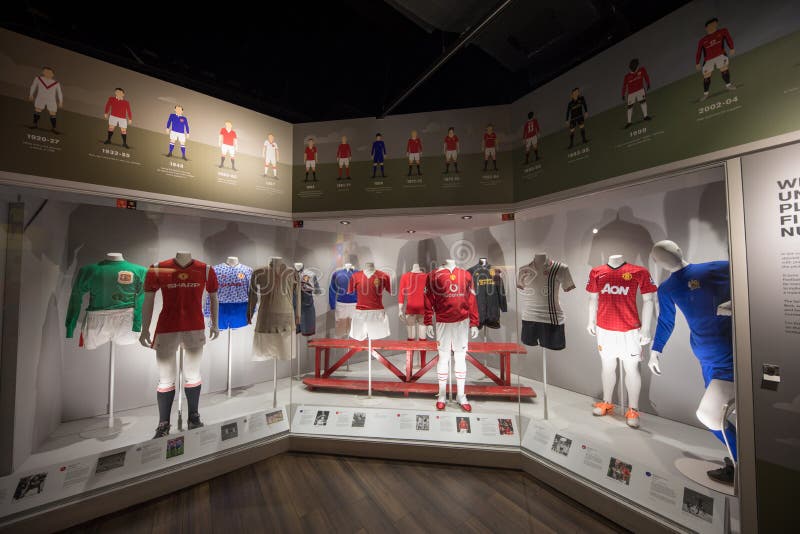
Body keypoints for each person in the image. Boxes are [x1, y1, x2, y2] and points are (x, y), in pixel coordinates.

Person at [696, 17, 736, 101]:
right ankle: (705, 94)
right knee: (706, 77)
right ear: (706, 28)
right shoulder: (702, 40)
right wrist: (697, 63)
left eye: (715, 24)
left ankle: (728, 85)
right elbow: (699, 52)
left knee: (724, 70)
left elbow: (728, 38)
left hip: (720, 55)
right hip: (708, 60)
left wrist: (732, 48)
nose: (714, 26)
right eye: (711, 25)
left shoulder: (722, 31)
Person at [28, 66, 63, 133]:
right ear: (43, 72)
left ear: (53, 74)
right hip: (40, 98)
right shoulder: (38, 79)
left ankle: (54, 128)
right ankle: (34, 124)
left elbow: (59, 92)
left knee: (52, 113)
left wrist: (60, 101)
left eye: (49, 72)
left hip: (51, 100)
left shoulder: (56, 83)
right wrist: (31, 94)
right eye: (46, 72)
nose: (47, 74)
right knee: (38, 110)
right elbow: (33, 86)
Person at [621, 59, 651, 127]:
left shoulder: (642, 70)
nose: (634, 68)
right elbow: (624, 86)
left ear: (637, 65)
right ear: (630, 67)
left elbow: (646, 76)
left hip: (640, 90)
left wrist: (648, 83)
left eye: (635, 66)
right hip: (631, 93)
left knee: (643, 102)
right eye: (633, 67)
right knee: (630, 107)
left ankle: (645, 116)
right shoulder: (627, 76)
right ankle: (629, 122)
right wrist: (623, 94)